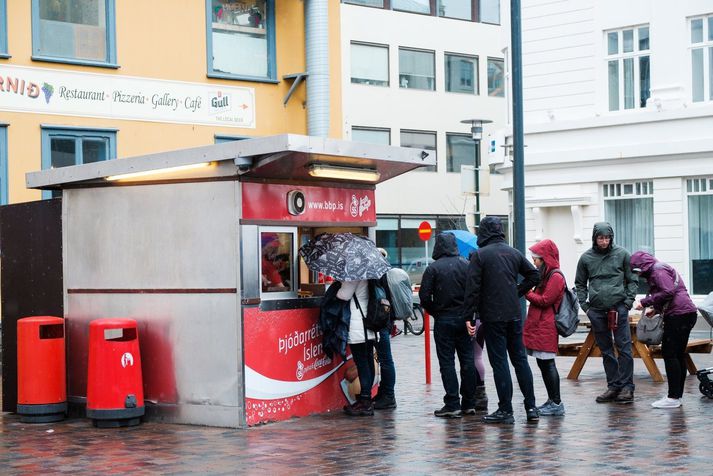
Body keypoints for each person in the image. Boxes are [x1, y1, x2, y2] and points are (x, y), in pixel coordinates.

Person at [462, 216, 540, 424]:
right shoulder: (513, 252)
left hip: (492, 315)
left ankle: (505, 409)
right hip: (514, 313)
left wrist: (469, 316)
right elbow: (534, 275)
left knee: (500, 362)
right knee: (520, 360)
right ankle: (531, 407)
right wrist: (516, 292)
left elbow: (472, 290)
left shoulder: (480, 255)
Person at [575, 222, 638, 403]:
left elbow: (632, 279)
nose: (604, 241)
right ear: (595, 238)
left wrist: (627, 303)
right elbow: (580, 283)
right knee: (606, 350)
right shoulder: (586, 258)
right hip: (596, 310)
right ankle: (614, 386)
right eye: (600, 238)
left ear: (611, 238)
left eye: (607, 237)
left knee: (624, 348)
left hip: (618, 307)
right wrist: (585, 306)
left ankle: (627, 387)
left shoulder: (622, 254)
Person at [630, 251, 698, 408]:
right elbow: (669, 293)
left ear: (642, 266)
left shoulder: (657, 271)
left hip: (679, 315)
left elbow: (668, 291)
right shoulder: (660, 268)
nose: (638, 274)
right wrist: (658, 309)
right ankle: (676, 396)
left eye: (637, 270)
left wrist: (646, 301)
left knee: (670, 353)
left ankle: (673, 398)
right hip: (685, 313)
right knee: (678, 355)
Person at [419, 233, 477, 418]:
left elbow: (424, 297)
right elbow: (474, 292)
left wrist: (437, 311)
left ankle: (452, 403)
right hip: (465, 319)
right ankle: (469, 402)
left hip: (444, 319)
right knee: (467, 360)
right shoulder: (467, 266)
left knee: (447, 362)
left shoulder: (433, 269)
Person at [523, 239, 566, 416]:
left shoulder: (555, 276)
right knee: (543, 364)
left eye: (537, 259)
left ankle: (556, 402)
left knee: (548, 364)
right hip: (541, 326)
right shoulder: (547, 275)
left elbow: (545, 300)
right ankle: (552, 400)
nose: (534, 262)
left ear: (545, 258)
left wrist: (527, 293)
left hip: (546, 326)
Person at [371, 247, 410, 410]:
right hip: (387, 322)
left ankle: (388, 396)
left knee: (385, 360)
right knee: (384, 359)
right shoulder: (387, 272)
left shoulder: (378, 275)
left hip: (380, 323)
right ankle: (383, 393)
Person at [337, 279, 377, 416]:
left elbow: (344, 295)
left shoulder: (354, 276)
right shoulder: (368, 275)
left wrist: (339, 285)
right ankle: (366, 399)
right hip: (368, 321)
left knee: (362, 363)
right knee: (368, 360)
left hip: (358, 325)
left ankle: (365, 401)